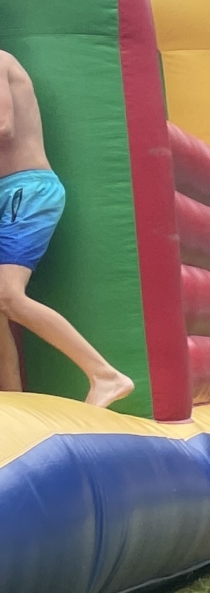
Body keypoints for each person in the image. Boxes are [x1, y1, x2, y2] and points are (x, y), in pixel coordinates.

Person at [0, 50, 133, 407]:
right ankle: (12, 401)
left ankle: (105, 374)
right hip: (9, 193)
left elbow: (3, 126)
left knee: (7, 295)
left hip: (24, 190)